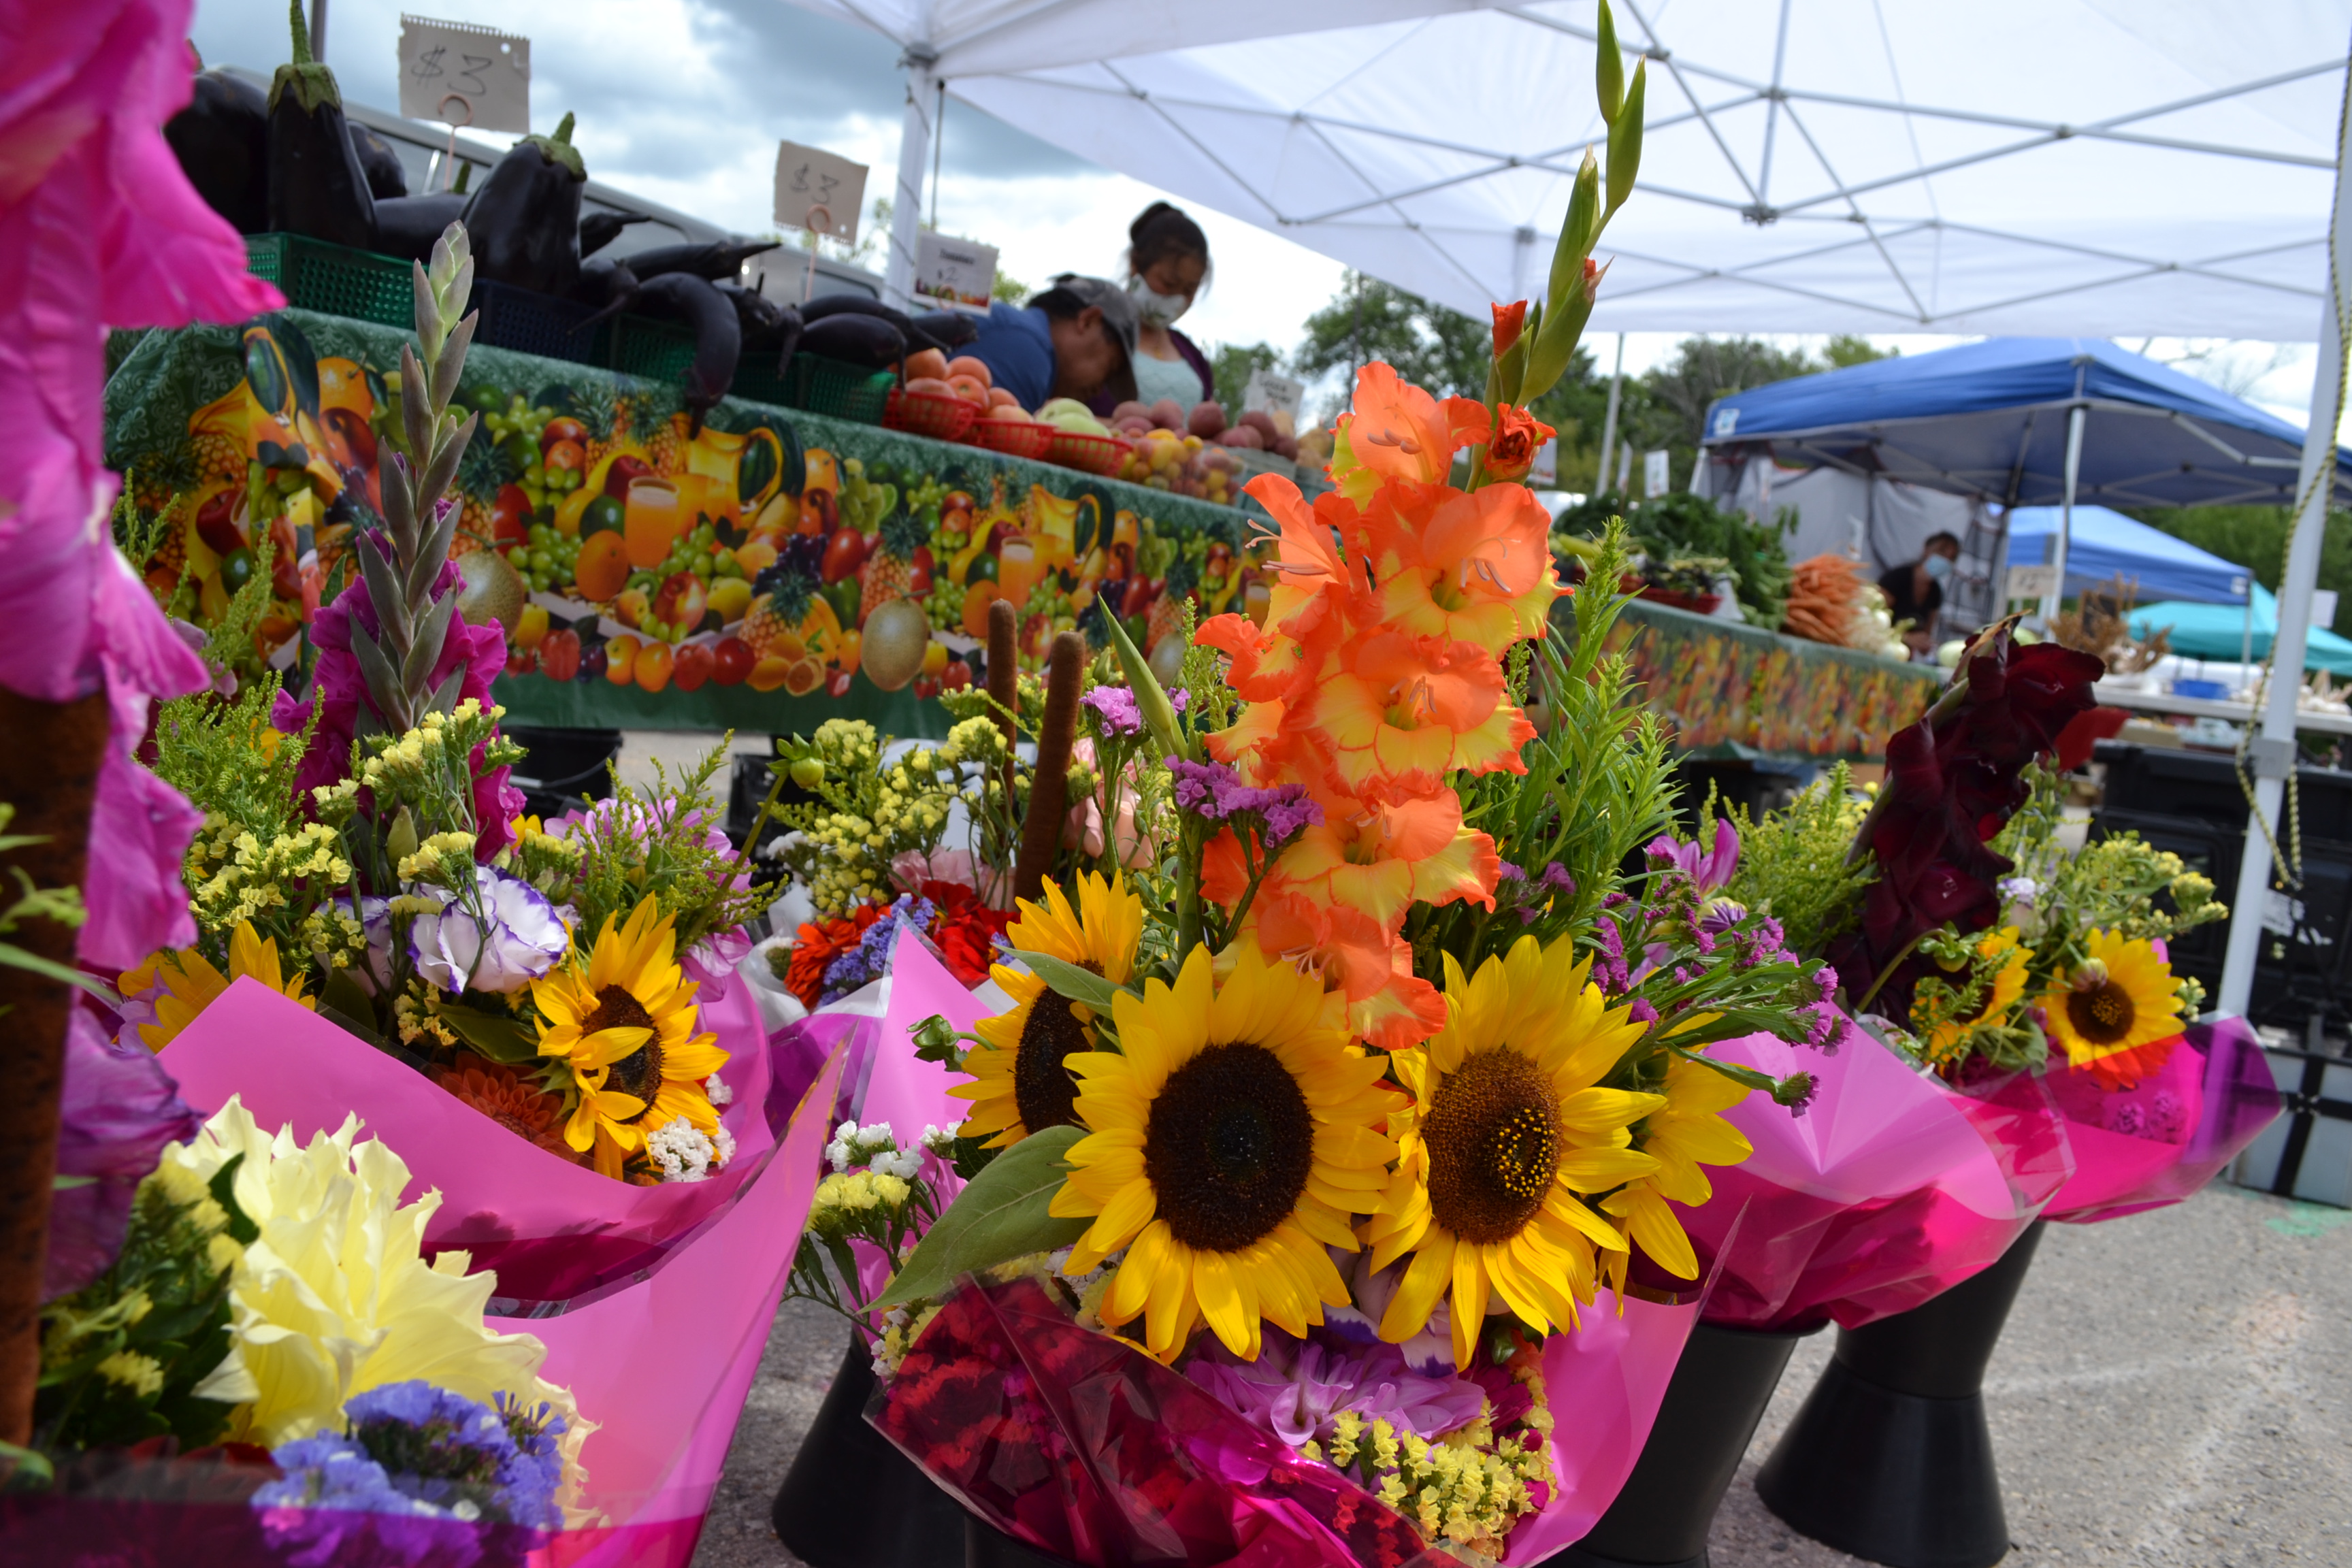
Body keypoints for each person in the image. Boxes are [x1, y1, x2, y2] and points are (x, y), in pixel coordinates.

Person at [1092, 202, 1213, 416]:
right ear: (1135, 264)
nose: (1177, 299)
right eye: (1168, 283)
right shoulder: (1094, 333)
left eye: (1189, 290)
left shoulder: (1192, 355)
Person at [955, 275, 1138, 412]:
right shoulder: (1028, 350)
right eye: (1110, 368)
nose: (1099, 391)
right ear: (1088, 321)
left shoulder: (1015, 330)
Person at [1880, 532, 1961, 656]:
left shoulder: (1936, 592)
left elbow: (1926, 633)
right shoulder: (1897, 578)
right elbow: (1873, 623)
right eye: (1942, 552)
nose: (1946, 561)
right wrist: (1905, 637)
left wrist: (1926, 645)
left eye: (1952, 558)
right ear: (1926, 550)